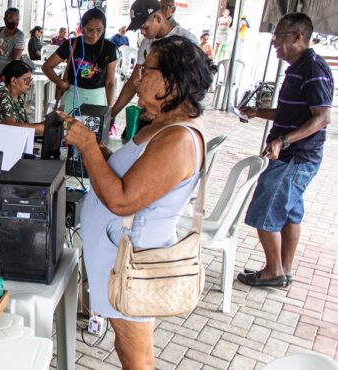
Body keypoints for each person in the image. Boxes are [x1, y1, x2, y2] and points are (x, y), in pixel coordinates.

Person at [59, 35, 212, 370]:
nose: (137, 78)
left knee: (135, 355)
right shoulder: (164, 124)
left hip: (133, 260)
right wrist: (101, 154)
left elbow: (122, 200)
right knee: (127, 345)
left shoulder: (178, 139)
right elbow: (137, 176)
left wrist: (87, 147)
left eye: (146, 70)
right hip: (122, 255)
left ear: (173, 81)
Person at [238, 13, 332, 288]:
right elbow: (293, 111)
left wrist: (284, 141)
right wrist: (258, 112)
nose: (274, 43)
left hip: (295, 157)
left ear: (298, 36)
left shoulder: (313, 68)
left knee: (265, 212)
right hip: (296, 156)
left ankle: (273, 271)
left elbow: (322, 118)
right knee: (290, 213)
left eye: (279, 36)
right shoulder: (298, 67)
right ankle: (284, 269)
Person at [112, 0, 197, 134]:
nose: (142, 31)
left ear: (157, 18)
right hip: (150, 110)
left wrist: (160, 110)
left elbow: (191, 86)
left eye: (144, 26)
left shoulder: (185, 40)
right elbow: (133, 81)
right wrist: (113, 113)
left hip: (173, 120)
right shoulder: (146, 43)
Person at [42, 8, 117, 115]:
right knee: (67, 130)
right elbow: (47, 67)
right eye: (90, 30)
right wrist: (60, 83)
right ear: (82, 28)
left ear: (104, 28)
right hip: (71, 95)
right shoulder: (71, 44)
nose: (94, 34)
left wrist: (110, 110)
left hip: (98, 97)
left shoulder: (110, 48)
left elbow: (110, 82)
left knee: (92, 131)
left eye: (99, 30)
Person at [0, 60, 44, 144]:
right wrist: (41, 127)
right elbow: (10, 126)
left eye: (30, 80)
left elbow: (23, 125)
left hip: (5, 141)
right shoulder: (2, 97)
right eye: (26, 80)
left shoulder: (17, 97)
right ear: (13, 81)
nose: (29, 84)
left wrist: (42, 126)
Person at [0, 8, 26, 79]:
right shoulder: (0, 30)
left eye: (17, 20)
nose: (14, 22)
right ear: (5, 19)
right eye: (11, 19)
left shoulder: (20, 36)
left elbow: (15, 59)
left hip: (10, 71)